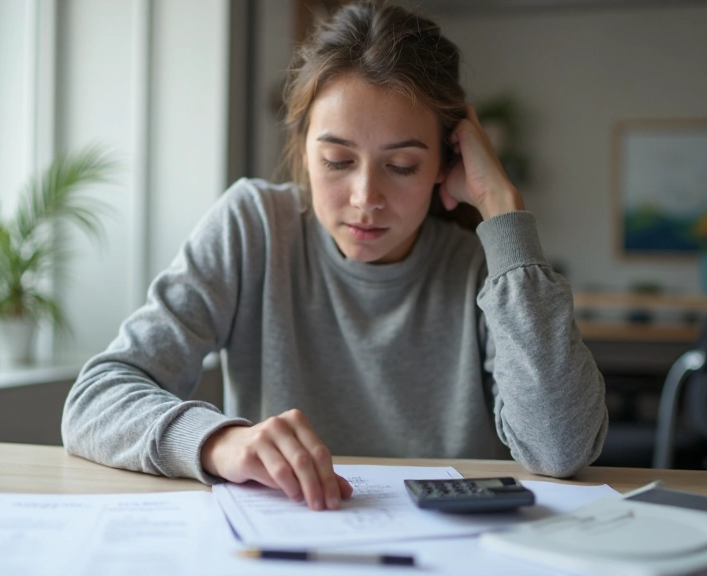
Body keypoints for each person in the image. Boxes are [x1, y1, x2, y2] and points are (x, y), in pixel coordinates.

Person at [62, 0, 607, 512]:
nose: (366, 198)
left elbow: (561, 449)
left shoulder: (489, 270)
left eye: (402, 166)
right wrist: (219, 442)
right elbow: (94, 401)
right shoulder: (254, 228)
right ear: (304, 150)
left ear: (447, 161)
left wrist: (502, 208)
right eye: (338, 161)